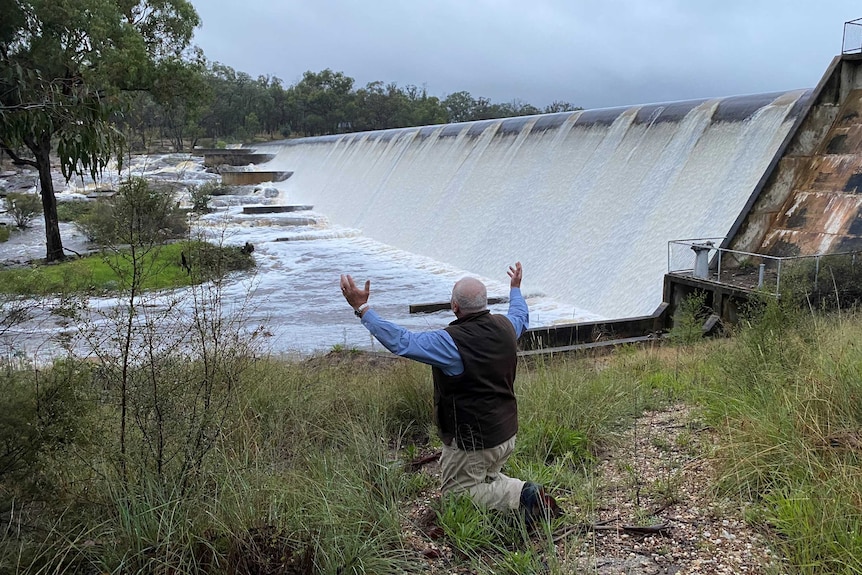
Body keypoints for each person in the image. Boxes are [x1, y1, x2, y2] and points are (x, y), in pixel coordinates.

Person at [339, 262, 560, 524]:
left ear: (454, 307)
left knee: (457, 495)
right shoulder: (506, 327)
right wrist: (515, 289)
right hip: (506, 434)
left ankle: (524, 494)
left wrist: (362, 308)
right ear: (484, 304)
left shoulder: (450, 343)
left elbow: (402, 342)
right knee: (485, 476)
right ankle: (509, 500)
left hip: (474, 443)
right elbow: (520, 314)